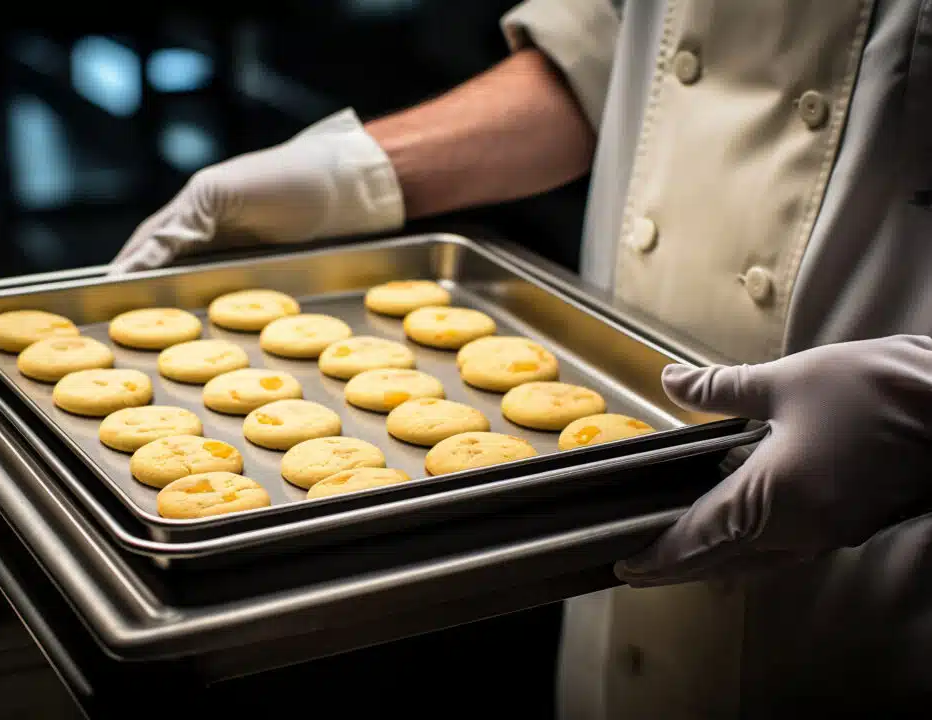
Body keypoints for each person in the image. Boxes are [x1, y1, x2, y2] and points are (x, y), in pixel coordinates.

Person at [113, 0, 932, 716]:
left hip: (881, 577)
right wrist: (355, 170)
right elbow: (614, 56)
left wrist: (921, 405)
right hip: (611, 511)